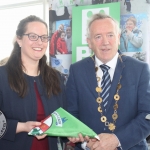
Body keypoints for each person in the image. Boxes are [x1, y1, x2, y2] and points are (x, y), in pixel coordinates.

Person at [66, 13, 150, 150]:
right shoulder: (77, 71)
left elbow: (147, 116)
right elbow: (71, 115)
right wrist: (84, 141)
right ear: (89, 42)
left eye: (110, 35)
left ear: (118, 37)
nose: (105, 42)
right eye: (98, 36)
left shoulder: (139, 69)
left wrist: (117, 140)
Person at [0, 15, 66, 150]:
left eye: (43, 37)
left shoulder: (56, 78)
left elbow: (64, 116)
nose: (39, 42)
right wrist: (21, 126)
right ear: (19, 39)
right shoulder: (2, 76)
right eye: (33, 36)